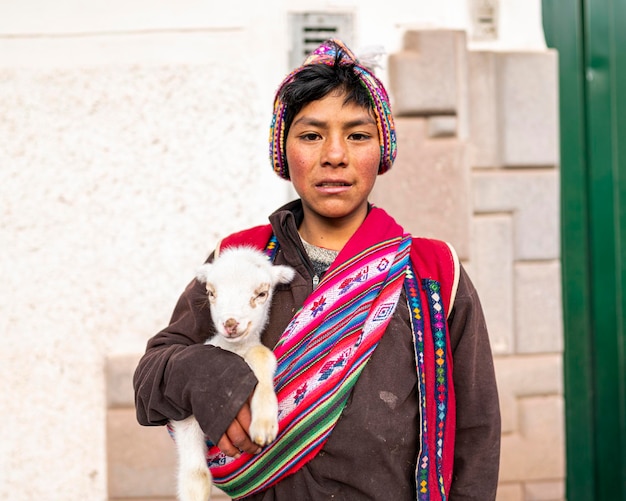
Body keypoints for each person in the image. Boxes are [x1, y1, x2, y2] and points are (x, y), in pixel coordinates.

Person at [133, 39, 501, 500]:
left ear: (381, 150)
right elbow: (152, 378)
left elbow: (477, 430)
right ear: (284, 152)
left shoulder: (433, 272)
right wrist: (206, 373)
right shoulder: (241, 259)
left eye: (358, 135)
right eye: (310, 135)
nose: (334, 155)